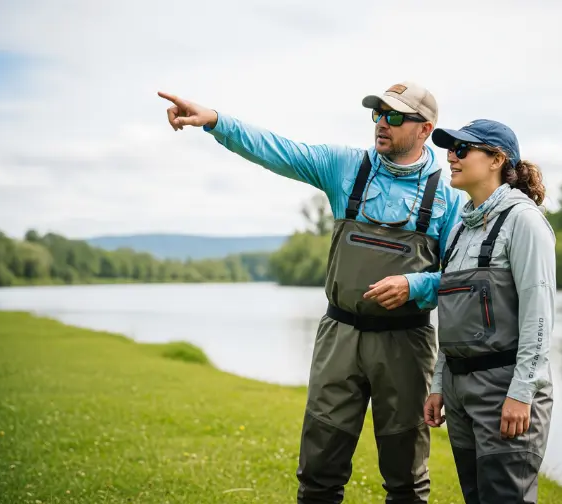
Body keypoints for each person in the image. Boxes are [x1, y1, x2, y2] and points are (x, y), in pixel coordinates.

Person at [157, 82, 464, 503]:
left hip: (407, 345)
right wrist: (214, 120)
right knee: (320, 467)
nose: (381, 124)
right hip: (340, 337)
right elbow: (277, 149)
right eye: (377, 114)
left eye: (394, 117)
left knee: (406, 477)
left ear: (425, 128)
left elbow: (460, 279)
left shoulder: (449, 200)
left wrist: (417, 285)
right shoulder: (344, 167)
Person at [422, 119, 555, 504]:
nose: (451, 156)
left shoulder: (524, 222)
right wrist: (437, 384)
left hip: (506, 391)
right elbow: (453, 317)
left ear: (497, 159)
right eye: (450, 149)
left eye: (462, 149)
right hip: (460, 391)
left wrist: (522, 392)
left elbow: (540, 315)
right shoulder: (459, 230)